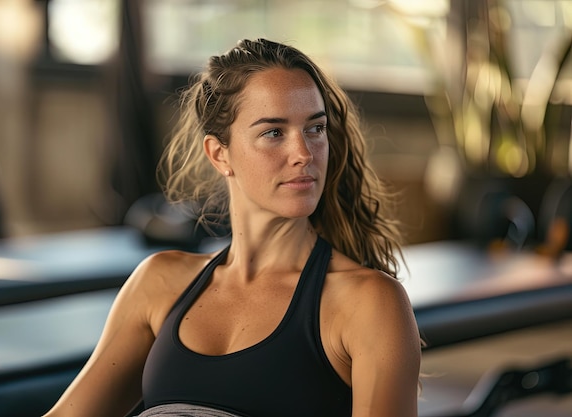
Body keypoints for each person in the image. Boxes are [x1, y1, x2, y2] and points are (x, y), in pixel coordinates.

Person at [42, 38, 421, 417]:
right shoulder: (159, 284)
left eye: (315, 128)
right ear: (220, 154)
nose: (304, 153)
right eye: (274, 132)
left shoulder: (368, 303)